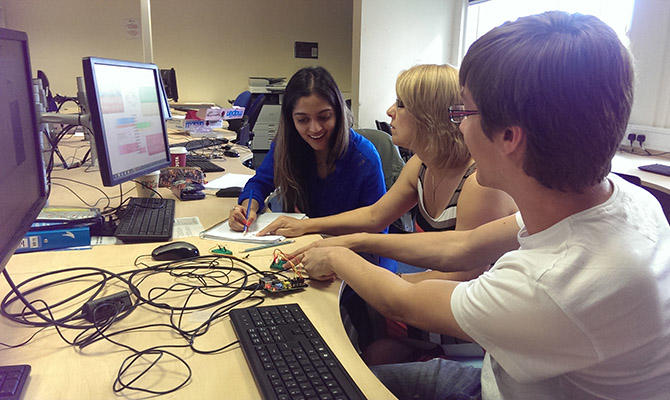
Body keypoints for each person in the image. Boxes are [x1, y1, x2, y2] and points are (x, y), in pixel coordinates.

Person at [293, 11, 670, 399]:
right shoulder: (619, 200)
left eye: (463, 112)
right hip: (497, 377)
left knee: (318, 389)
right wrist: (351, 243)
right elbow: (463, 245)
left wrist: (337, 260)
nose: (456, 126)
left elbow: (402, 303)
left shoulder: (552, 285)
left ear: (508, 136)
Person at [259, 64, 516, 279]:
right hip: (435, 290)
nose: (390, 111)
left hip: (466, 319)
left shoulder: (479, 184)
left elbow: (460, 278)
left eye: (401, 104)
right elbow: (375, 215)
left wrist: (359, 276)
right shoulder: (420, 164)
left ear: (430, 115)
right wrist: (306, 228)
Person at [228, 67, 386, 235]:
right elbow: (259, 183)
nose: (315, 128)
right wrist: (247, 209)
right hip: (313, 242)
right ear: (291, 120)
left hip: (359, 251)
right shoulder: (287, 145)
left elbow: (376, 224)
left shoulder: (364, 157)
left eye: (324, 117)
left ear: (339, 114)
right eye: (303, 120)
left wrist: (308, 226)